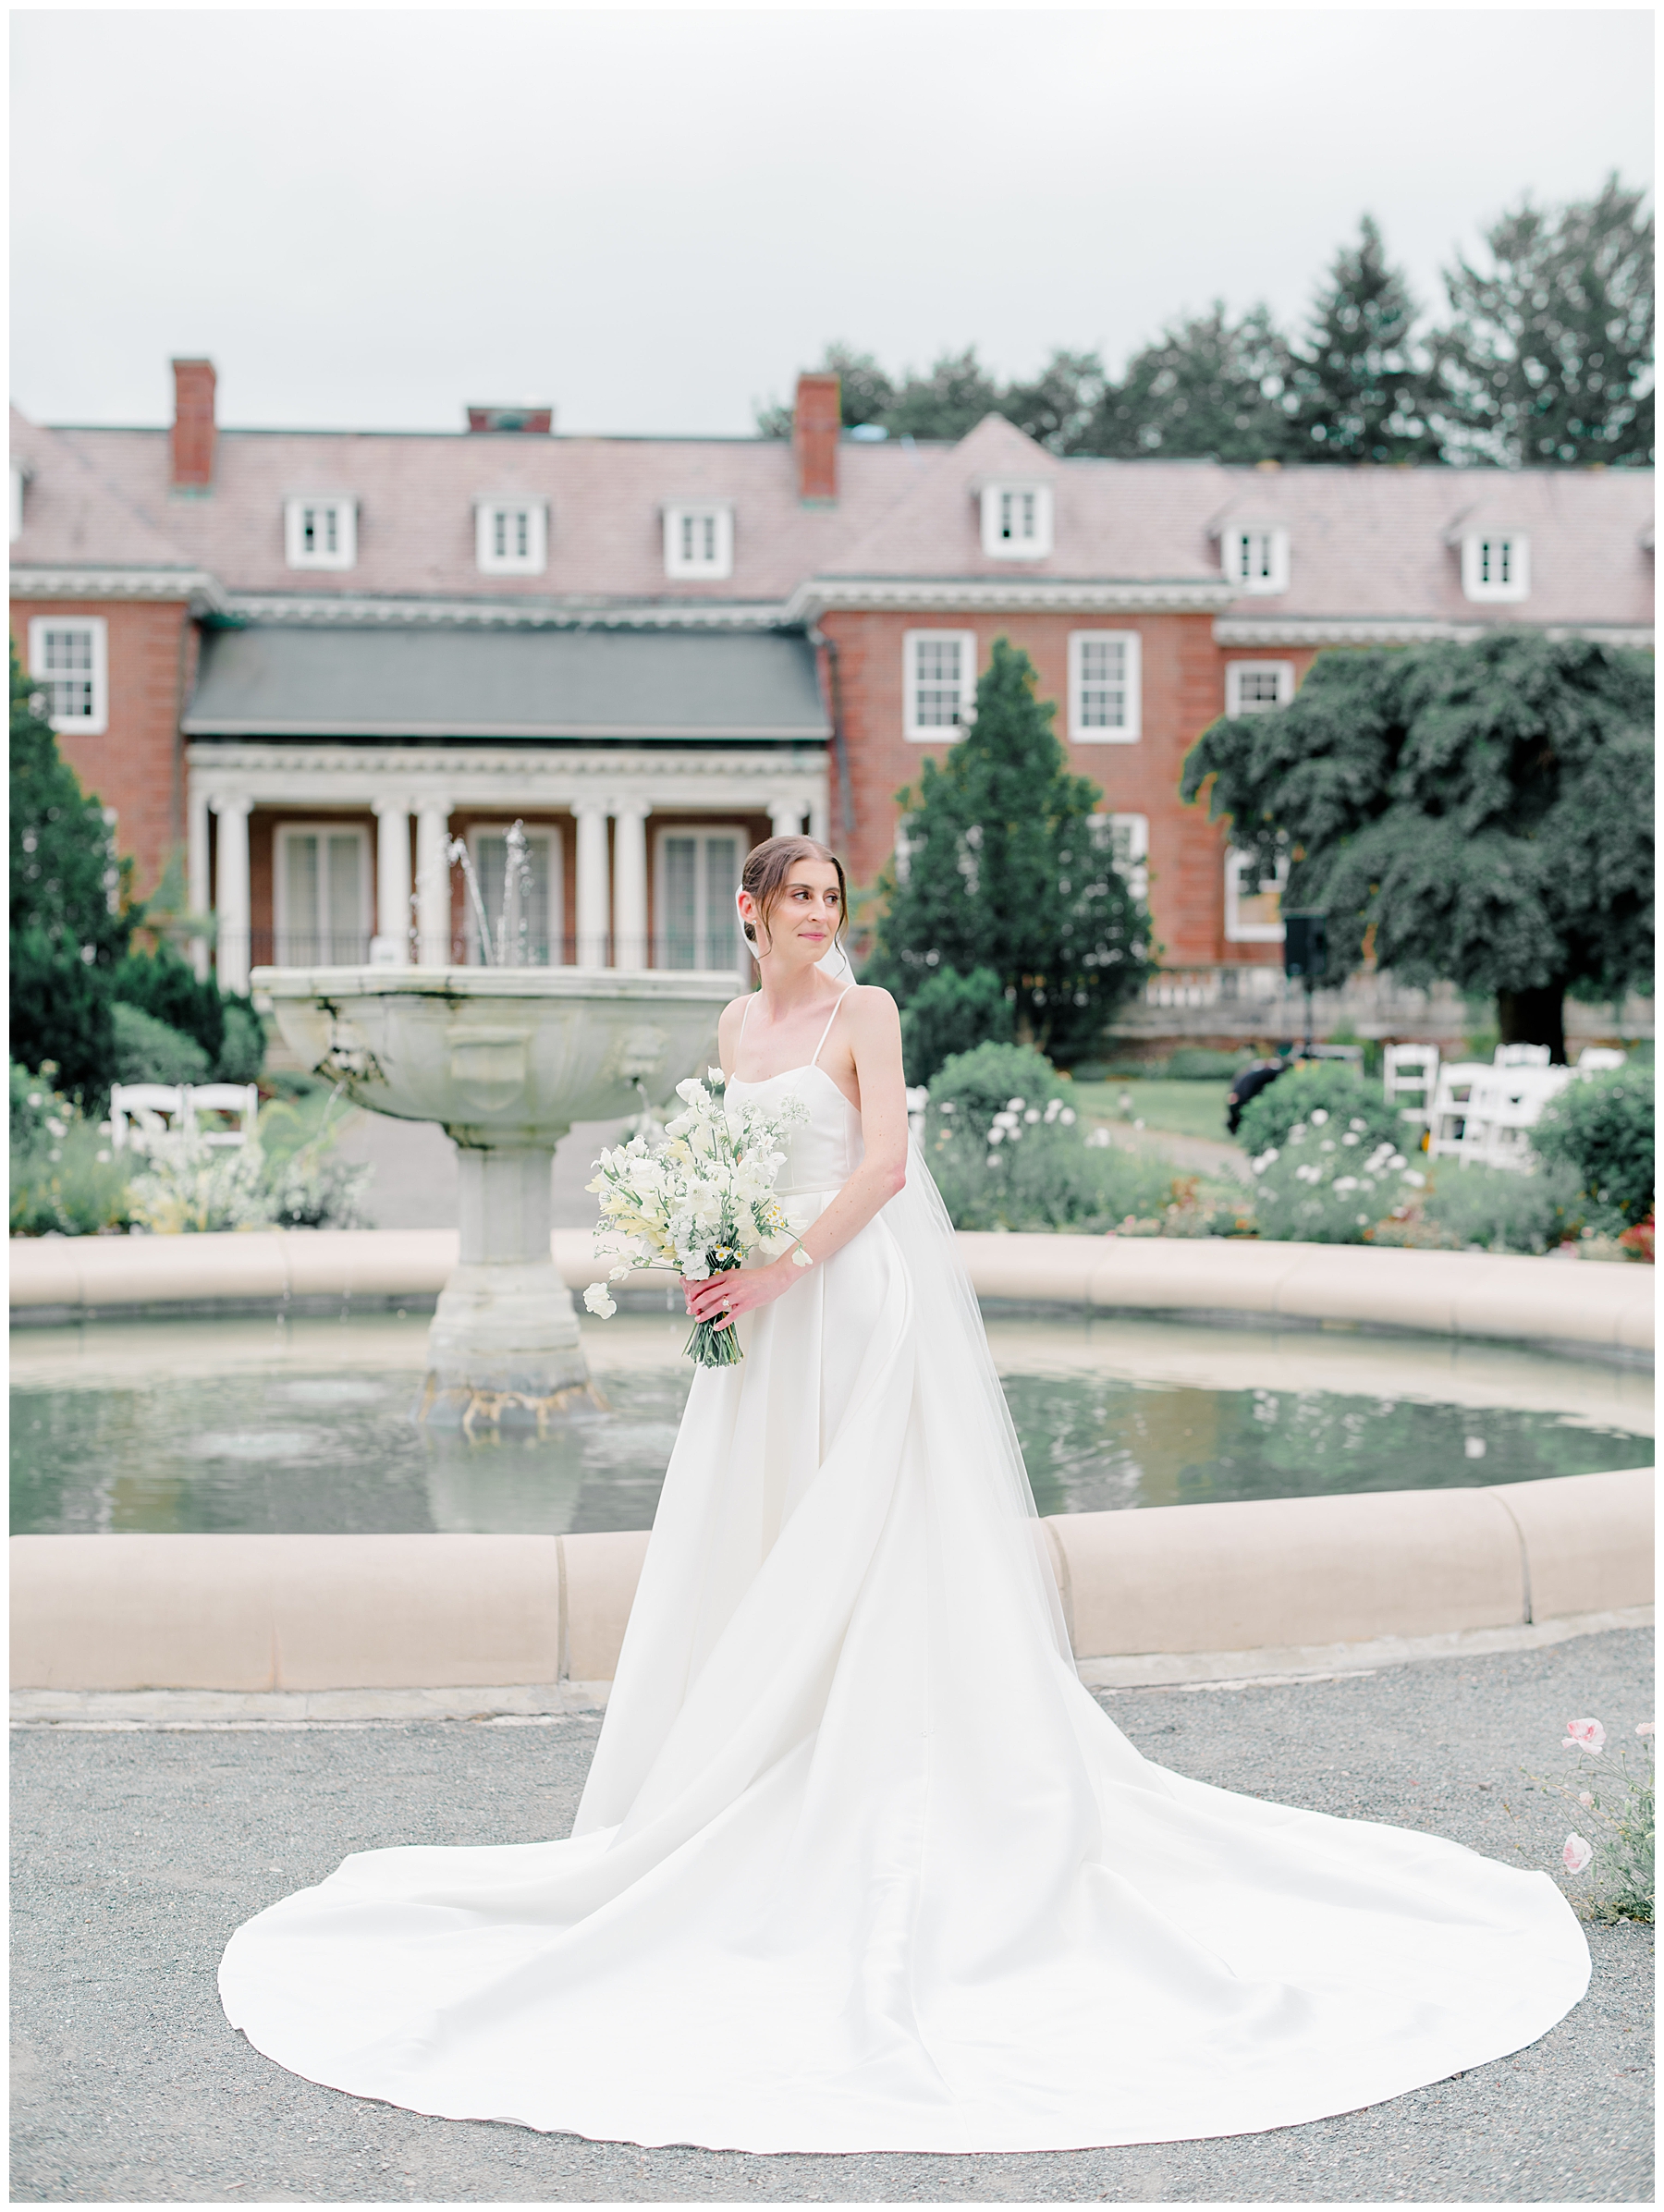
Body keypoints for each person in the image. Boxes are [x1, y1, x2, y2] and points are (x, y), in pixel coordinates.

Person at [220, 837, 1588, 2156]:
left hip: (851, 1304)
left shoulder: (864, 1010)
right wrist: (713, 1254)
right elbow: (729, 1163)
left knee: (873, 1545)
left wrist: (781, 1267)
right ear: (749, 913)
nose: (819, 913)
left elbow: (882, 1164)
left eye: (831, 894)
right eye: (797, 897)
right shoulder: (731, 1031)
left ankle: (893, 1785)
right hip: (760, 1328)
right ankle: (754, 1771)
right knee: (759, 1546)